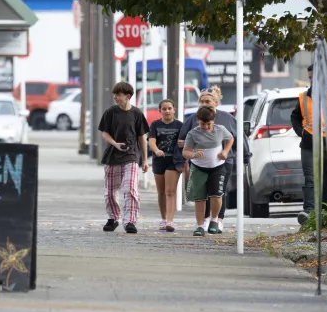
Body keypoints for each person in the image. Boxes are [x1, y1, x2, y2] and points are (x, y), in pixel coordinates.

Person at [173, 86, 246, 232]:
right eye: (202, 101)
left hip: (223, 161)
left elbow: (236, 137)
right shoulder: (194, 119)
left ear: (216, 102)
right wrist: (186, 153)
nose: (205, 104)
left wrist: (243, 155)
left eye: (208, 101)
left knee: (218, 191)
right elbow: (183, 140)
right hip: (199, 163)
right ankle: (203, 221)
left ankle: (218, 220)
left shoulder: (226, 119)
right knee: (201, 193)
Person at [290, 64, 327, 225]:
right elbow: (295, 117)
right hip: (309, 144)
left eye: (313, 77)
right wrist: (302, 132)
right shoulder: (304, 97)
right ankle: (309, 213)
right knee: (310, 179)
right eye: (310, 77)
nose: (311, 80)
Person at [98, 82, 150, 234]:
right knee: (110, 192)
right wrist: (115, 144)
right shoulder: (110, 112)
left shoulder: (137, 114)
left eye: (118, 95)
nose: (115, 97)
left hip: (131, 155)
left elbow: (142, 137)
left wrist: (145, 160)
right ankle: (113, 217)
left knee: (130, 188)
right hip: (112, 155)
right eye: (114, 95)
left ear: (127, 96)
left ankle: (130, 221)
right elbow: (105, 133)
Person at [182, 106, 234, 236]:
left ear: (213, 120)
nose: (205, 127)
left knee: (216, 195)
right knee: (199, 198)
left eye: (208, 124)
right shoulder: (193, 134)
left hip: (217, 167)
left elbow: (230, 138)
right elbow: (185, 151)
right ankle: (200, 225)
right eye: (202, 123)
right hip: (199, 168)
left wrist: (225, 151)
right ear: (197, 120)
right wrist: (193, 155)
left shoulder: (220, 130)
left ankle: (214, 220)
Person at [148, 99, 184, 232]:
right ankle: (163, 219)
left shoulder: (180, 125)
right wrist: (156, 150)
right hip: (159, 160)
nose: (167, 111)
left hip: (173, 161)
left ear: (174, 110)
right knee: (161, 192)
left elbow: (184, 140)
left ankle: (170, 220)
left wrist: (183, 144)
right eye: (164, 109)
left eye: (169, 108)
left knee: (170, 191)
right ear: (160, 111)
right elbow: (151, 141)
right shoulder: (155, 125)